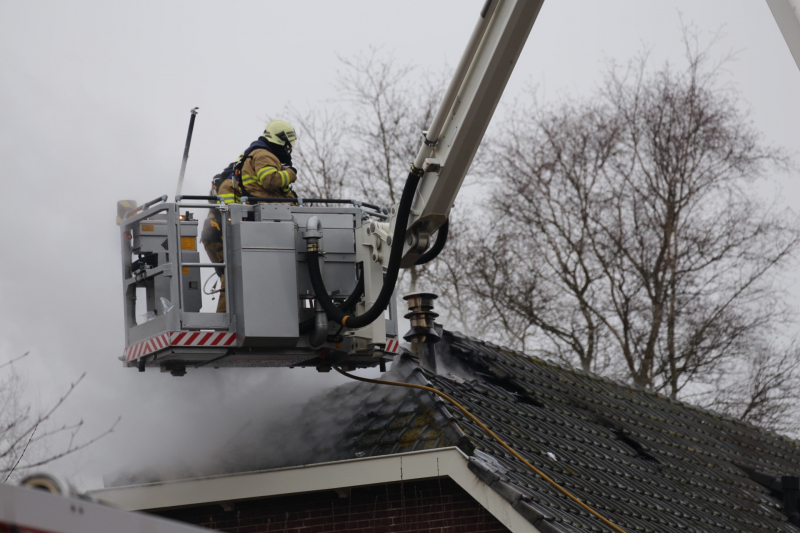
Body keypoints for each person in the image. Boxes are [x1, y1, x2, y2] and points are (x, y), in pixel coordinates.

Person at [199, 120, 298, 312]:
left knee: (238, 279)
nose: (289, 148)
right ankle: (225, 331)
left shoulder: (254, 154)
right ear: (280, 141)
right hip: (223, 230)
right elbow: (270, 181)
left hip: (223, 229)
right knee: (234, 280)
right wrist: (291, 174)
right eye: (288, 143)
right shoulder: (263, 155)